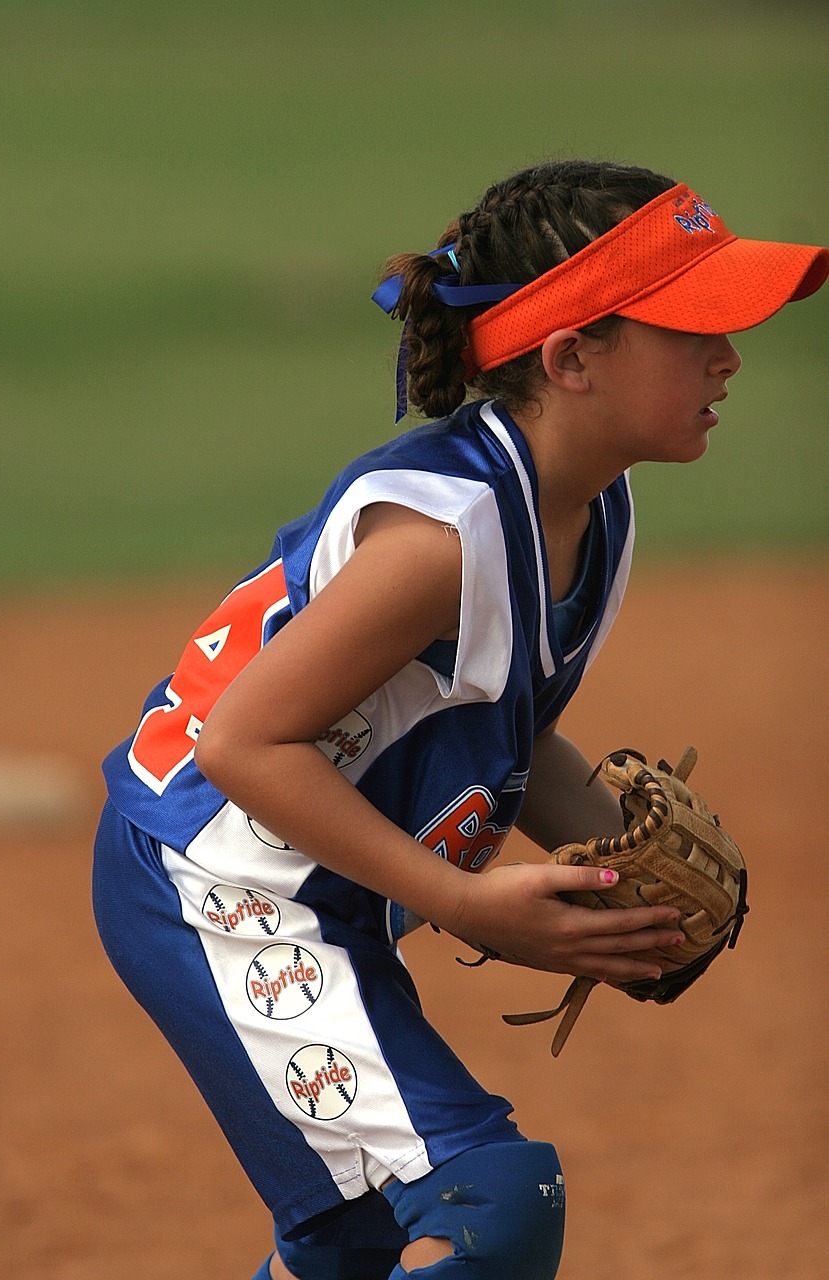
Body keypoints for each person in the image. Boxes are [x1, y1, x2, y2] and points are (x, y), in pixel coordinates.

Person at [93, 159, 828, 1280]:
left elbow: (501, 721)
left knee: (355, 1241)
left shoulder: (591, 505)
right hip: (219, 889)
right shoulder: (443, 540)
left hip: (309, 883)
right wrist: (468, 900)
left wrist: (608, 872)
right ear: (569, 356)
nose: (729, 355)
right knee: (492, 1197)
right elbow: (240, 741)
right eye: (691, 327)